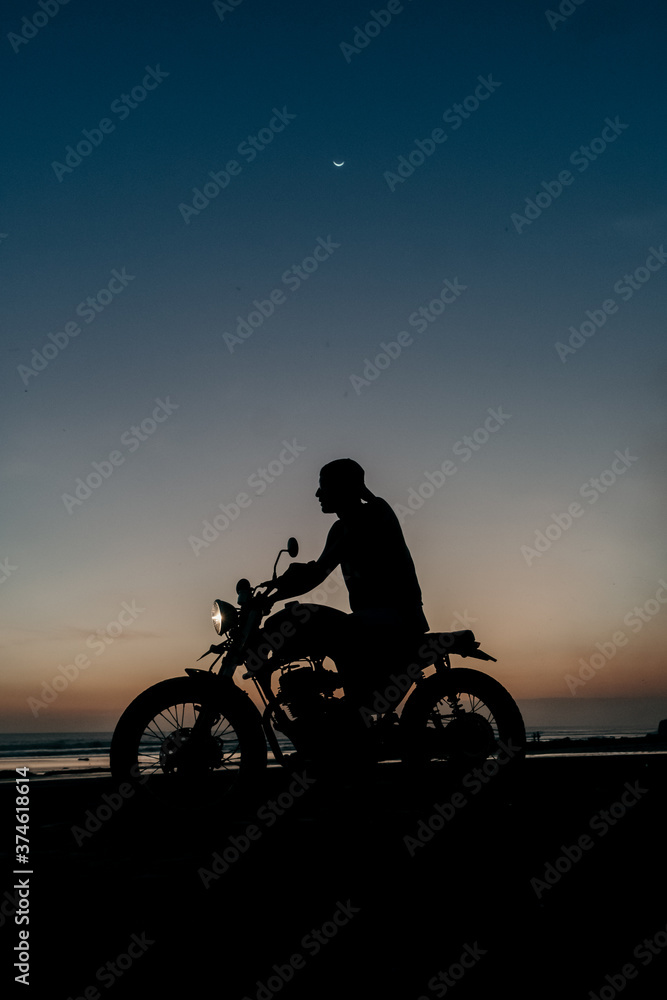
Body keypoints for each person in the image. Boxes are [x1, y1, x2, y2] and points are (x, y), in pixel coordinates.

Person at [265, 458, 429, 707]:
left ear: (343, 486)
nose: (318, 493)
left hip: (399, 617)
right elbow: (318, 572)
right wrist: (271, 595)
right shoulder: (339, 528)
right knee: (308, 624)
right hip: (368, 619)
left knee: (312, 617)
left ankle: (351, 712)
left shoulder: (375, 512)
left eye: (324, 485)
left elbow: (320, 569)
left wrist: (283, 590)